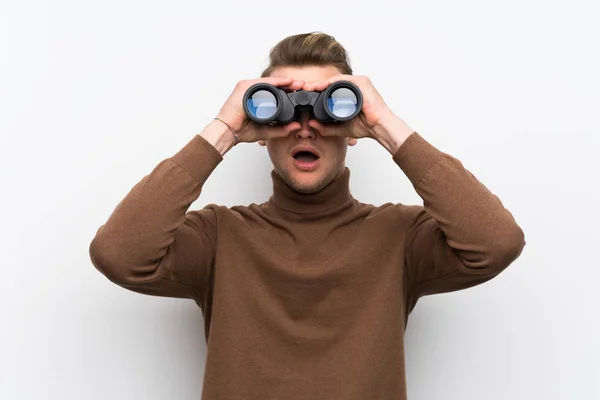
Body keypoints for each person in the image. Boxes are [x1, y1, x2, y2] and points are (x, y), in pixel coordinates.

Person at [89, 32, 526, 400]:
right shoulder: (219, 237)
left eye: (325, 108)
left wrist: (385, 123)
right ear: (260, 133)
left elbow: (496, 244)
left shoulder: (400, 237)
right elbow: (119, 255)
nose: (304, 125)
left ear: (354, 129)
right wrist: (223, 129)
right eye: (283, 109)